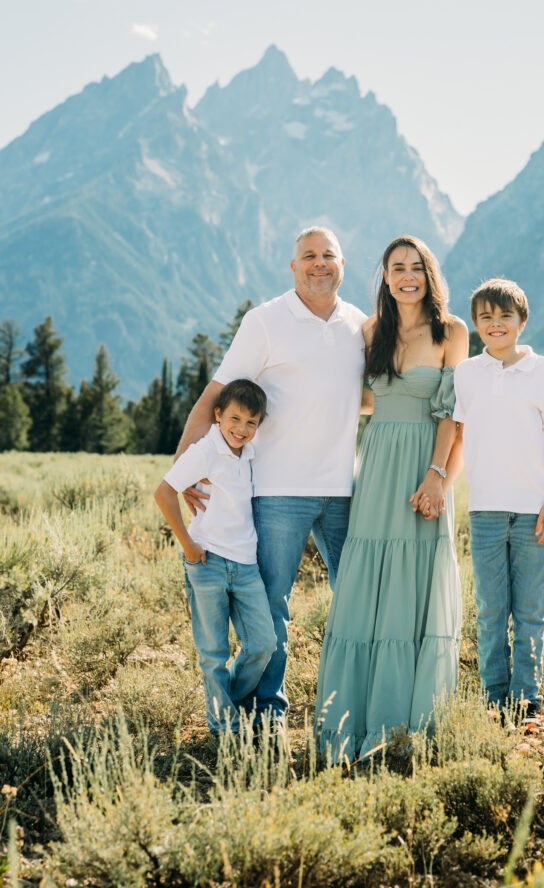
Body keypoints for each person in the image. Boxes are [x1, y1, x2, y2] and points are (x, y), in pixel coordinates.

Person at [175, 228, 366, 727]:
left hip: (345, 489)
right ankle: (265, 709)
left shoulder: (359, 325)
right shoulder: (264, 321)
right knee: (273, 608)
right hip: (279, 491)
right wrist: (185, 469)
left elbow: (363, 397)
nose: (319, 263)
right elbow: (216, 396)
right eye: (309, 256)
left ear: (343, 263)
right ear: (293, 266)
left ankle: (353, 701)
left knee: (359, 596)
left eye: (328, 255)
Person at [315, 235, 468, 760]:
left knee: (417, 584)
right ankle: (353, 724)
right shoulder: (371, 330)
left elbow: (453, 413)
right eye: (397, 267)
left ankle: (410, 727)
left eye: (416, 267)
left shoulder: (452, 331)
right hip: (377, 465)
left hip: (423, 468)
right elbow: (357, 397)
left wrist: (437, 479)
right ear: (384, 276)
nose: (407, 276)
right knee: (367, 585)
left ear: (430, 275)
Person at [452, 277, 544, 728]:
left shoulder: (543, 372)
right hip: (483, 511)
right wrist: (441, 485)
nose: (495, 324)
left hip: (533, 512)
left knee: (529, 611)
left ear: (522, 321)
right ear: (476, 325)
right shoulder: (466, 373)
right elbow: (458, 437)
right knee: (489, 610)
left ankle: (527, 700)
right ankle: (494, 697)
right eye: (486, 317)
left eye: (505, 316)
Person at [153, 378, 276, 735]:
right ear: (218, 415)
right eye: (235, 419)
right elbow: (163, 493)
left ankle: (225, 700)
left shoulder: (250, 455)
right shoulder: (206, 450)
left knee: (263, 643)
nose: (242, 429)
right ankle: (224, 728)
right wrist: (189, 545)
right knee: (214, 653)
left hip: (246, 564)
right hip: (206, 562)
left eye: (251, 422)